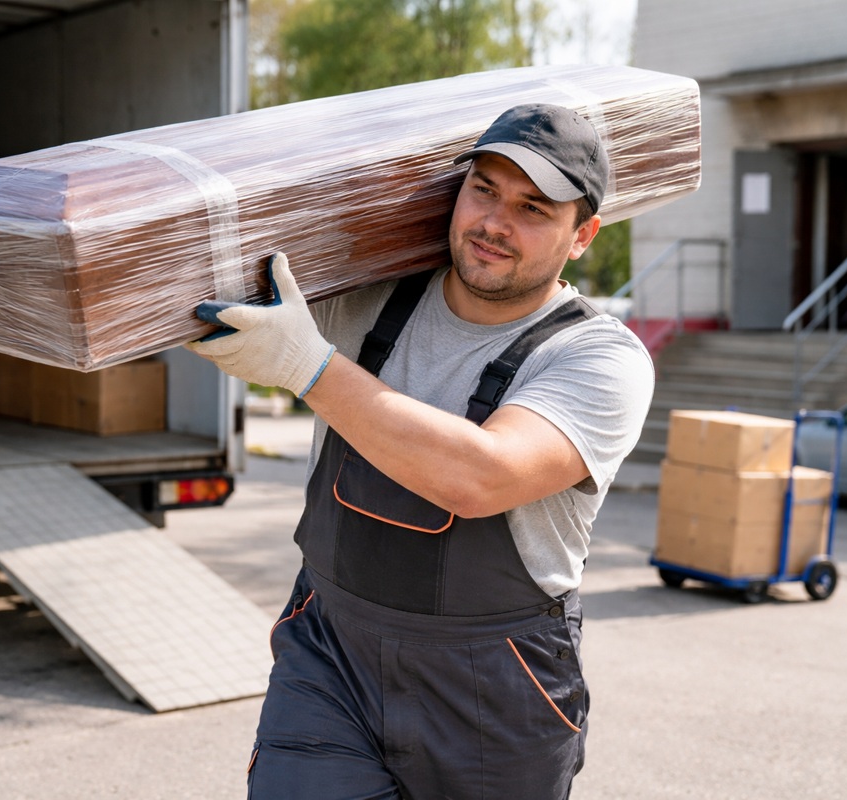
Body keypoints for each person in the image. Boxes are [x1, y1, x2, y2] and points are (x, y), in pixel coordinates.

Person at [187, 103, 654, 800]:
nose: (495, 223)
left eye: (534, 208)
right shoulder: (364, 301)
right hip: (332, 656)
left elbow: (481, 476)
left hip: (495, 688)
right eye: (484, 190)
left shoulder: (597, 357)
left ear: (583, 235)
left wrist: (308, 367)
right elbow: (207, 276)